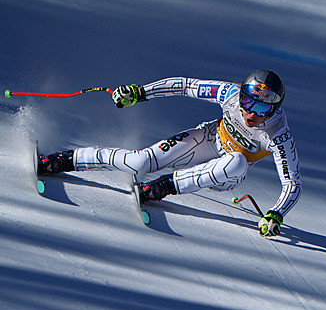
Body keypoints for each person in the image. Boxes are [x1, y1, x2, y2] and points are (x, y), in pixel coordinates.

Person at [38, 69, 301, 237]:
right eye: (248, 102)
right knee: (139, 162)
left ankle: (162, 188)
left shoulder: (279, 134)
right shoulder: (230, 93)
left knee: (236, 161)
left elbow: (292, 183)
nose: (251, 113)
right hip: (209, 138)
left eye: (262, 109)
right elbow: (184, 85)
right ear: (241, 95)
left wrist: (275, 213)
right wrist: (140, 93)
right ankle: (62, 160)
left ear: (275, 109)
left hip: (227, 173)